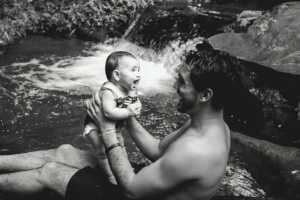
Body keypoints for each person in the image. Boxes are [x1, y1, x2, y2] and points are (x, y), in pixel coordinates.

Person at [0, 49, 241, 200]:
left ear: (205, 94)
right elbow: (158, 151)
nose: (175, 87)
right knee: (65, 152)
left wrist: (106, 129)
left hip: (135, 192)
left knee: (52, 172)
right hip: (148, 188)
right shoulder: (210, 125)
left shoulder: (198, 149)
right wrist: (125, 115)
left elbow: (132, 190)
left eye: (183, 83)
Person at [83, 51, 141, 185]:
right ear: (116, 75)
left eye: (139, 70)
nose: (138, 74)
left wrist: (137, 105)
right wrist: (128, 112)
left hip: (114, 128)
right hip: (95, 127)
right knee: (102, 152)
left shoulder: (130, 88)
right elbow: (109, 112)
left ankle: (123, 170)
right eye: (133, 70)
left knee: (120, 147)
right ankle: (110, 176)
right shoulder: (109, 91)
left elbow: (135, 100)